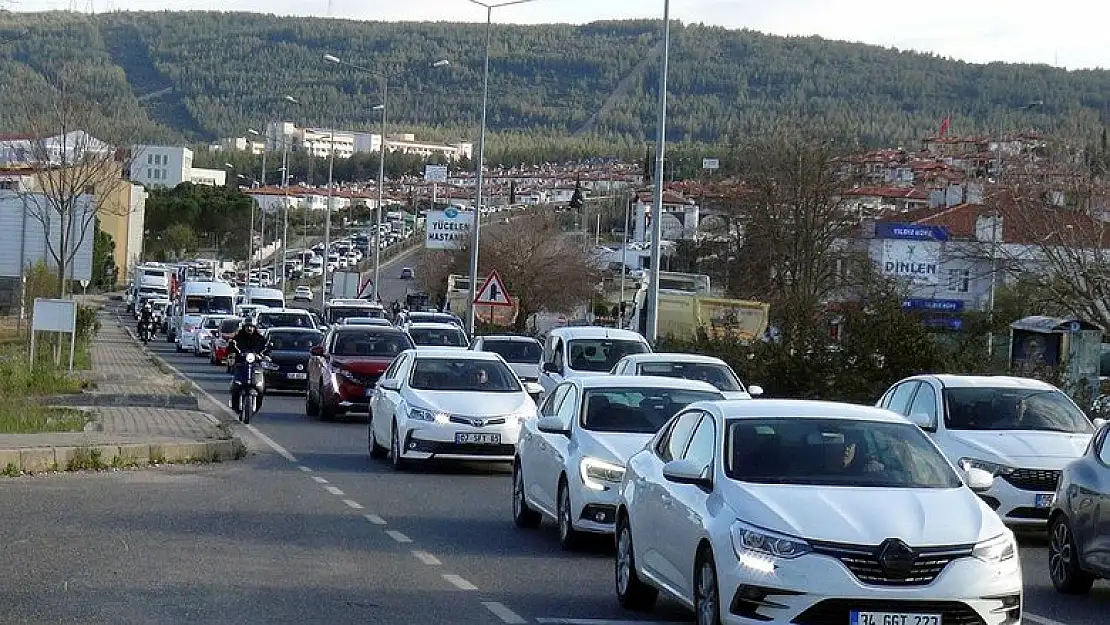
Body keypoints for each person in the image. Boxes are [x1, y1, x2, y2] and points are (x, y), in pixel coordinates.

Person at [227, 321, 268, 412]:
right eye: (247, 327)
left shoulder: (260, 339)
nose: (250, 329)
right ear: (244, 327)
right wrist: (232, 355)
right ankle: (235, 404)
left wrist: (264, 356)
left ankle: (258, 404)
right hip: (241, 365)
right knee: (236, 385)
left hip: (256, 366)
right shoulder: (237, 338)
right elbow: (231, 347)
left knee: (260, 386)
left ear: (255, 328)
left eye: (252, 327)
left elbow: (266, 349)